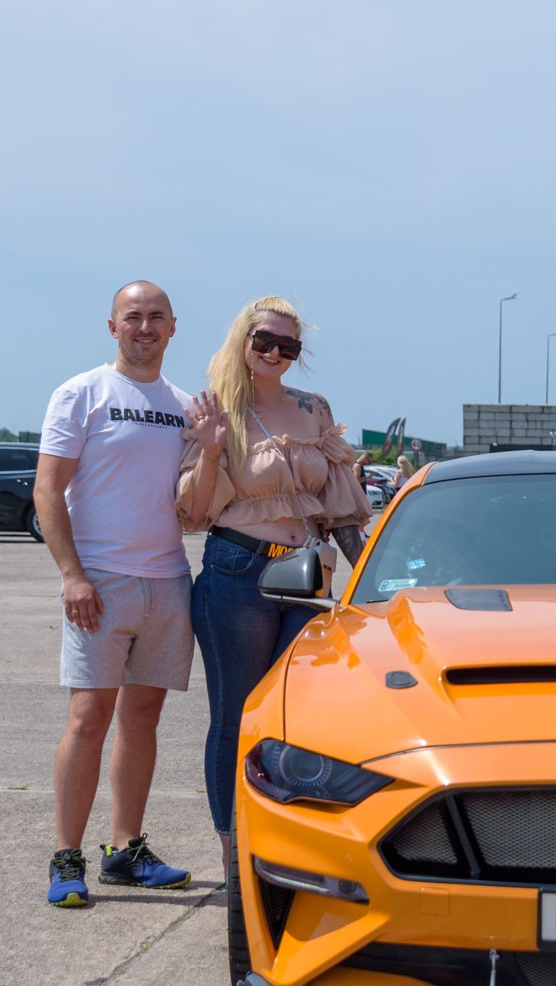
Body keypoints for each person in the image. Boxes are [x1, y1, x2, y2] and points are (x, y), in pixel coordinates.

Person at [177, 297, 370, 867]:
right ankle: (235, 852)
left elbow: (342, 508)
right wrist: (211, 450)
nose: (275, 353)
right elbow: (194, 511)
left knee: (296, 716)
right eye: (265, 341)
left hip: (308, 576)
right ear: (243, 341)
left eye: (288, 346)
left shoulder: (313, 409)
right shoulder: (214, 410)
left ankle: (288, 843)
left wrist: (371, 577)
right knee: (236, 716)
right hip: (238, 572)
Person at [33, 281, 197, 907]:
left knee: (143, 716)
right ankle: (66, 857)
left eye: (156, 317)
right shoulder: (82, 393)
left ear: (173, 326)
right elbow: (48, 490)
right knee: (88, 717)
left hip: (167, 581)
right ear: (113, 327)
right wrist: (72, 575)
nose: (144, 327)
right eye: (133, 317)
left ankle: (125, 851)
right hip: (99, 582)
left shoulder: (184, 405)